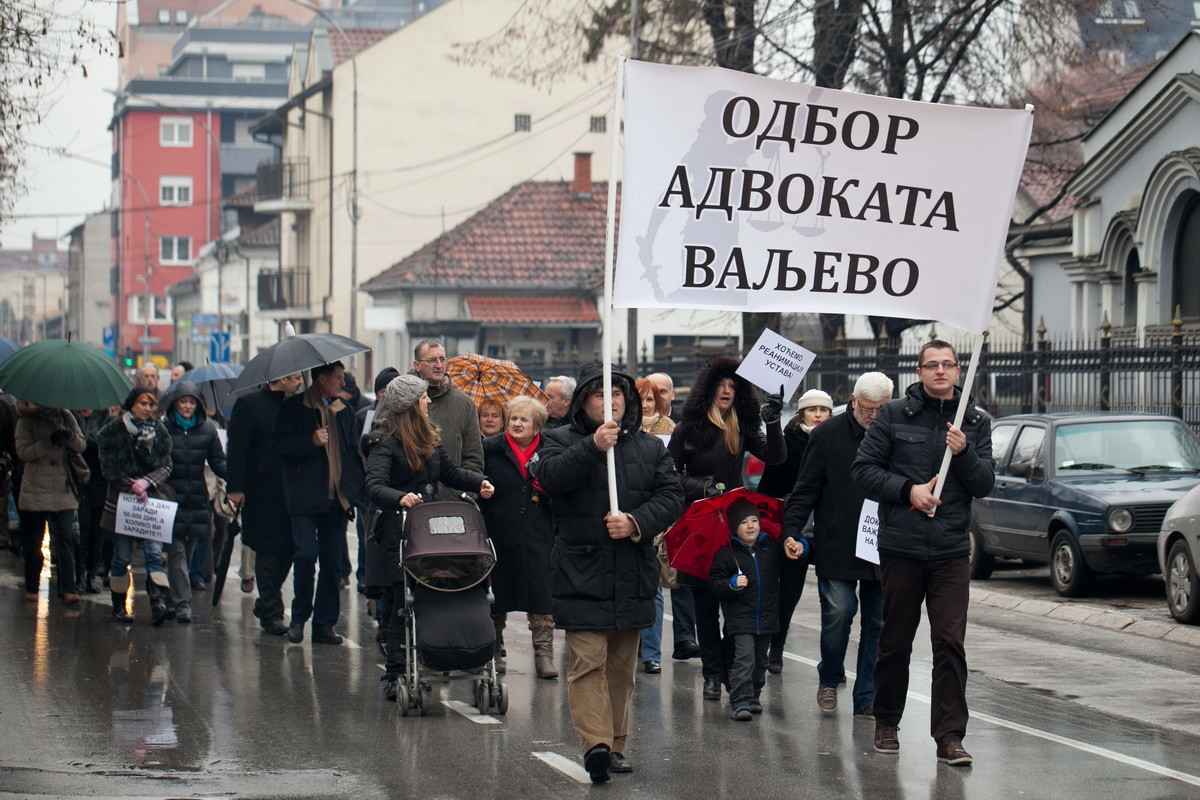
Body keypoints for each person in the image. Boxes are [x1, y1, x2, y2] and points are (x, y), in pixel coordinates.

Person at [533, 362, 683, 784]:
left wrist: (635, 522)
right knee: (587, 662)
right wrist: (593, 447)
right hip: (580, 571)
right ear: (584, 402)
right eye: (601, 394)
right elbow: (551, 479)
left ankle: (616, 744)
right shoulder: (558, 439)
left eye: (616, 393)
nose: (610, 400)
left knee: (620, 669)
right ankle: (595, 745)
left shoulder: (650, 447)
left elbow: (671, 496)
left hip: (631, 572)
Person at [851, 340, 994, 766]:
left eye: (947, 364)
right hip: (902, 547)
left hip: (951, 551)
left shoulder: (975, 421)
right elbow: (864, 471)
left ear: (958, 370)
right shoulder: (894, 415)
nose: (940, 371)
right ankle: (887, 721)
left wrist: (964, 453)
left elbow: (984, 483)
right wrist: (908, 491)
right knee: (895, 640)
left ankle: (949, 736)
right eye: (932, 365)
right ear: (919, 372)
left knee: (950, 643)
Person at [363, 375, 494, 699]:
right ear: (410, 405)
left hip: (432, 527)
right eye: (422, 398)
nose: (428, 401)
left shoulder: (430, 438)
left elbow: (450, 473)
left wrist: (478, 482)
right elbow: (374, 486)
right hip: (401, 529)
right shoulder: (385, 442)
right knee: (400, 601)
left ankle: (437, 650)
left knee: (439, 589)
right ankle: (395, 672)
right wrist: (399, 497)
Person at [667, 355, 785, 701]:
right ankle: (712, 674)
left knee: (738, 604)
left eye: (732, 385)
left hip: (734, 524)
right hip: (700, 523)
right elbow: (669, 475)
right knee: (705, 607)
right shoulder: (687, 428)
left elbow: (776, 457)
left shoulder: (743, 427)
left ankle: (731, 665)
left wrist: (773, 421)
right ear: (708, 390)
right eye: (720, 385)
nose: (726, 390)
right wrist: (701, 486)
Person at [782, 373, 893, 718]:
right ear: (854, 400)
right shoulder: (827, 435)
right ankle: (830, 677)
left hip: (882, 543)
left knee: (878, 624)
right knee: (838, 614)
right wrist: (791, 531)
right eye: (868, 408)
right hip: (837, 541)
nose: (873, 415)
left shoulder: (896, 432)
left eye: (881, 408)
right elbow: (805, 489)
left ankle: (867, 696)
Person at [272, 362, 365, 645]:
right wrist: (309, 440)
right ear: (322, 379)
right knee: (305, 556)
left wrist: (353, 489)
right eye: (338, 378)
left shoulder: (343, 410)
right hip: (304, 497)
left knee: (333, 563)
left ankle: (325, 625)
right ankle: (299, 618)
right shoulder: (294, 408)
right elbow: (278, 446)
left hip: (336, 500)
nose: (343, 383)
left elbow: (353, 451)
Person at [756, 387, 834, 674]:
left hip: (825, 525)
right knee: (780, 590)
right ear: (802, 414)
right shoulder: (788, 441)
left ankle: (823, 658)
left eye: (823, 410)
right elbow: (768, 485)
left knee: (816, 594)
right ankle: (772, 647)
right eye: (812, 409)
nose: (818, 415)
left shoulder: (835, 441)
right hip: (789, 523)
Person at [480, 395, 556, 678]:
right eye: (513, 418)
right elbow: (476, 480)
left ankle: (544, 654)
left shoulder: (550, 451)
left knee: (541, 594)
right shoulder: (491, 449)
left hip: (539, 533)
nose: (517, 424)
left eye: (524, 419)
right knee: (496, 594)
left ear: (537, 426)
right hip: (500, 532)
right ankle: (494, 648)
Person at [227, 372, 302, 636]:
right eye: (295, 377)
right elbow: (237, 448)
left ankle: (265, 603)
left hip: (291, 491)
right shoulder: (249, 404)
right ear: (280, 379)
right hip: (261, 491)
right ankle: (271, 612)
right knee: (268, 551)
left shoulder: (296, 405)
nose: (300, 382)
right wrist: (235, 488)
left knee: (289, 550)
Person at [98, 387, 173, 624]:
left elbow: (167, 464)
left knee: (154, 554)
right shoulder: (112, 431)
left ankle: (158, 603)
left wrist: (147, 482)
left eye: (151, 404)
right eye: (143, 404)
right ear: (131, 405)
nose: (147, 409)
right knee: (121, 556)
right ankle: (118, 605)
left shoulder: (159, 430)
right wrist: (131, 485)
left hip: (151, 501)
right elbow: (108, 468)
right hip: (123, 501)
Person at [709, 499, 785, 721]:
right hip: (740, 618)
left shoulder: (771, 548)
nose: (751, 526)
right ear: (734, 527)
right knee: (745, 658)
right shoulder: (726, 554)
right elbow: (715, 583)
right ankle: (739, 700)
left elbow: (791, 565)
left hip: (766, 616)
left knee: (761, 661)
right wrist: (731, 583)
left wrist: (798, 548)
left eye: (754, 520)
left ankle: (754, 696)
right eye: (743, 522)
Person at [162, 383, 227, 624]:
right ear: (175, 404)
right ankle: (183, 605)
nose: (188, 406)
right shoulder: (164, 428)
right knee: (177, 553)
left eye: (192, 402)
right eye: (183, 402)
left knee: (187, 553)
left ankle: (173, 594)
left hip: (198, 500)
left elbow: (218, 462)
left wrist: (237, 480)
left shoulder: (208, 429)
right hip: (171, 499)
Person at [14, 400, 85, 606]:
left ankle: (68, 588)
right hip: (36, 487)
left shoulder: (65, 416)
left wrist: (69, 437)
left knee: (65, 537)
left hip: (63, 487)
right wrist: (47, 442)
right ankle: (32, 587)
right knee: (34, 540)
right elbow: (23, 453)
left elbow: (81, 445)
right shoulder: (26, 421)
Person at [633, 377, 675, 673]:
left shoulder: (671, 430)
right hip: (630, 511)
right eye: (641, 399)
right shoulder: (622, 430)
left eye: (651, 400)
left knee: (655, 587)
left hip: (657, 516)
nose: (646, 405)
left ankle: (651, 652)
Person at [411, 339, 484, 501]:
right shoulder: (399, 399)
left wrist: (463, 494)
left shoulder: (464, 404)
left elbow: (473, 457)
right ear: (417, 365)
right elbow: (378, 450)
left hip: (451, 503)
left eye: (442, 359)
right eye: (432, 360)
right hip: (409, 503)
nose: (439, 365)